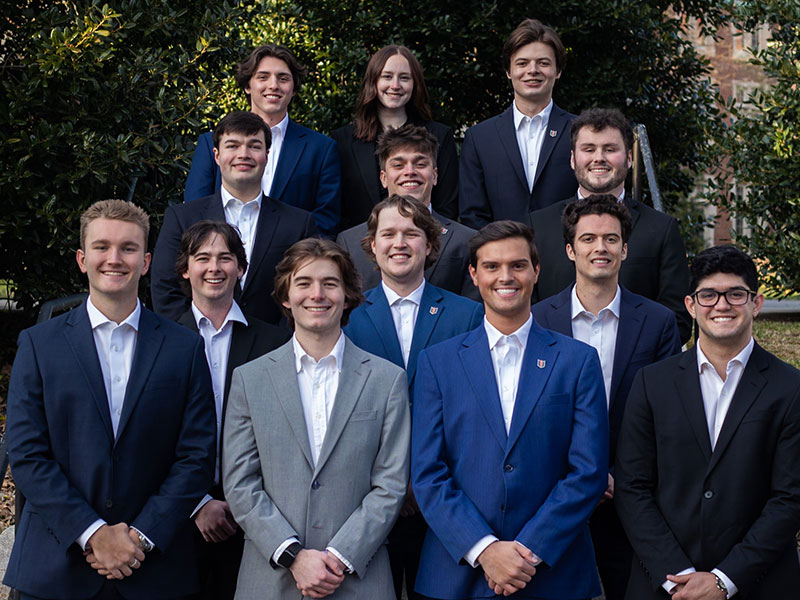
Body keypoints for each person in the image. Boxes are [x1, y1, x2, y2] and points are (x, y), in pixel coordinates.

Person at [4, 199, 217, 599]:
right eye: (102, 247)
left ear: (147, 261)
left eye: (129, 248)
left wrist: (140, 536)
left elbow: (197, 456)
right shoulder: (39, 345)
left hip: (154, 568)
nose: (114, 259)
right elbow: (28, 453)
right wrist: (92, 534)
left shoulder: (184, 348)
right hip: (55, 567)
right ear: (82, 259)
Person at [412, 220, 609, 599]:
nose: (506, 276)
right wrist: (484, 549)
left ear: (536, 271)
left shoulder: (578, 361)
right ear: (474, 274)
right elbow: (427, 474)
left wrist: (525, 553)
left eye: (518, 265)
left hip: (553, 574)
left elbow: (588, 472)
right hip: (458, 577)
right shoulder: (438, 362)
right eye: (492, 266)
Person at [222, 238, 411, 599]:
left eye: (330, 283)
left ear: (347, 295)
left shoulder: (386, 381)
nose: (317, 294)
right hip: (271, 578)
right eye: (303, 283)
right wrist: (292, 555)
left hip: (358, 579)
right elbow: (240, 483)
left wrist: (339, 556)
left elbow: (391, 485)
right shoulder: (250, 379)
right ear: (285, 298)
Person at [615, 245, 800, 600]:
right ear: (691, 305)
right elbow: (632, 487)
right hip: (665, 584)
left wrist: (724, 579)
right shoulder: (651, 383)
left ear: (756, 304)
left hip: (758, 583)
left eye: (735, 294)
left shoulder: (790, 388)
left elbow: (790, 499)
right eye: (708, 295)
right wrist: (679, 575)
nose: (721, 305)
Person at [532, 195, 681, 600]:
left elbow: (666, 415)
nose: (601, 248)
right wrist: (582, 478)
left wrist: (614, 473)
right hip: (553, 493)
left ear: (625, 248)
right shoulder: (538, 319)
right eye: (589, 239)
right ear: (570, 249)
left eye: (611, 239)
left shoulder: (658, 322)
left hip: (630, 493)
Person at [344, 194, 483, 599]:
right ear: (371, 245)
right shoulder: (346, 317)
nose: (399, 243)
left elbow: (470, 409)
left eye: (411, 233)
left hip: (445, 497)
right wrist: (393, 484)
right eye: (388, 234)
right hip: (367, 498)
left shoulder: (467, 315)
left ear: (430, 243)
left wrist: (422, 484)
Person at [174, 220, 290, 599]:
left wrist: (245, 506)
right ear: (185, 269)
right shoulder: (158, 339)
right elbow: (149, 435)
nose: (214, 267)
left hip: (255, 518)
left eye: (226, 258)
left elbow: (283, 433)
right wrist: (198, 503)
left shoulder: (275, 342)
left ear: (241, 268)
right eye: (202, 257)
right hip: (178, 515)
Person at [528, 107, 692, 344]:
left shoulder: (662, 230)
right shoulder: (538, 226)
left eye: (610, 149)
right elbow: (527, 308)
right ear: (573, 159)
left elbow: (678, 321)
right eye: (589, 149)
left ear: (628, 158)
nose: (599, 158)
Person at [152, 111, 317, 324]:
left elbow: (305, 290)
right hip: (196, 345)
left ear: (266, 156)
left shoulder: (299, 224)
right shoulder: (182, 218)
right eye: (233, 146)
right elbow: (165, 289)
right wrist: (189, 337)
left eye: (254, 146)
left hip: (274, 349)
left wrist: (277, 343)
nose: (243, 154)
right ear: (217, 155)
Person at [184, 43, 341, 237]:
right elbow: (195, 213)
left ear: (293, 87)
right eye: (263, 77)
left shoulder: (321, 149)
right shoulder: (211, 144)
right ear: (247, 85)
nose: (273, 85)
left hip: (293, 264)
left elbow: (324, 226)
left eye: (283, 78)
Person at [337, 124, 478, 300]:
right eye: (398, 165)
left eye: (420, 164)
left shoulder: (466, 240)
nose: (410, 172)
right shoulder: (349, 243)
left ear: (434, 176)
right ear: (383, 178)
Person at [459, 18, 577, 228]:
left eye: (543, 63)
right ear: (508, 71)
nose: (532, 70)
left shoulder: (579, 131)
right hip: (501, 256)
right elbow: (472, 214)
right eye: (522, 63)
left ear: (558, 71)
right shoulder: (479, 138)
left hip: (567, 257)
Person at [331, 45, 458, 231]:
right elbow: (340, 209)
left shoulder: (440, 136)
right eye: (387, 76)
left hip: (425, 246)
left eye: (404, 78)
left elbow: (447, 206)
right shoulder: (343, 140)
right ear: (373, 81)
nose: (395, 85)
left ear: (415, 84)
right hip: (360, 248)